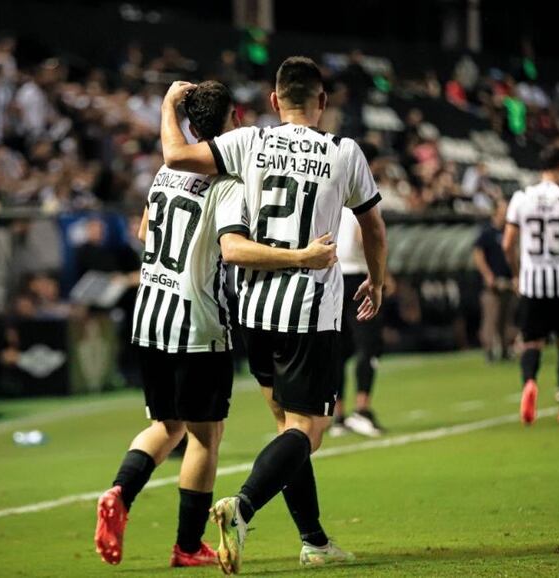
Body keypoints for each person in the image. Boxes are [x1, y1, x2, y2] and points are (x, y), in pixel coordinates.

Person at [93, 80, 337, 568]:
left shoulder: (166, 171)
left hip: (150, 314)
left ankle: (121, 490)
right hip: (197, 319)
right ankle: (186, 547)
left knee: (167, 425)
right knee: (206, 436)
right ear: (234, 120)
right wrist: (300, 256)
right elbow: (231, 247)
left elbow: (145, 231)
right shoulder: (227, 181)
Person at [160, 56, 387, 574]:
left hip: (254, 310)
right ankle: (242, 507)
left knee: (288, 427)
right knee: (308, 430)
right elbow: (372, 226)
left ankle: (313, 540)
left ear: (273, 100)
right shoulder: (344, 151)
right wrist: (376, 278)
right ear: (324, 102)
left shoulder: (250, 142)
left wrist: (169, 106)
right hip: (309, 311)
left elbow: (174, 155)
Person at [503, 146, 559, 425]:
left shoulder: (521, 198)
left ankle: (529, 382)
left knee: (531, 342)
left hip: (532, 283)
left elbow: (508, 243)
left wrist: (517, 273)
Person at [330, 142, 388, 438]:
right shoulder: (361, 192)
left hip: (332, 277)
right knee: (368, 346)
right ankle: (362, 410)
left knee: (338, 350)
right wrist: (379, 274)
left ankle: (338, 416)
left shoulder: (331, 188)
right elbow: (366, 234)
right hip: (357, 277)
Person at [473, 199, 516, 362]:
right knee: (491, 317)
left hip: (507, 281)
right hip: (492, 284)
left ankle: (506, 349)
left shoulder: (508, 231)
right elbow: (478, 255)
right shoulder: (487, 232)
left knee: (506, 318)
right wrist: (488, 275)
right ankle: (489, 350)